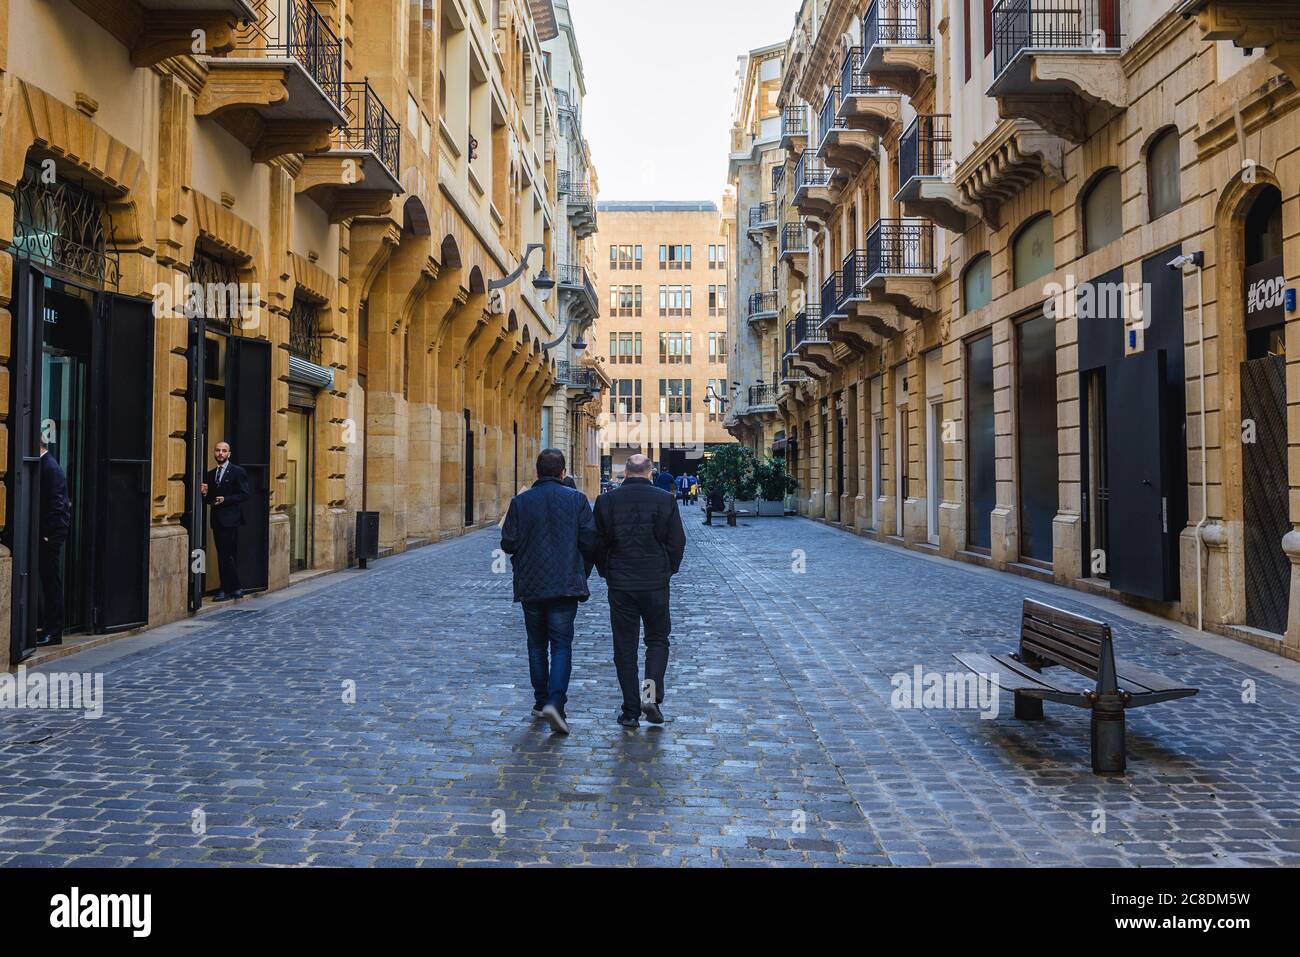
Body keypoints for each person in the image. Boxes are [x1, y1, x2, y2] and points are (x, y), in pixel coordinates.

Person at [501, 448, 598, 736]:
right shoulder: (577, 500)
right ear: (562, 472)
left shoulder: (520, 502)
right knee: (561, 644)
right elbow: (590, 540)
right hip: (565, 584)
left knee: (536, 644)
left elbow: (508, 543)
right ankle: (556, 701)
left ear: (537, 472)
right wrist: (580, 568)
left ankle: (541, 700)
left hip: (531, 584)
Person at [593, 453, 687, 729]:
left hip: (621, 583)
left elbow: (596, 542)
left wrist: (606, 570)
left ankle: (631, 709)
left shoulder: (606, 501)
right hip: (655, 582)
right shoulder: (665, 500)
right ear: (650, 473)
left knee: (625, 646)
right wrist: (667, 569)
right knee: (657, 641)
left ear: (624, 473)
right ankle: (650, 697)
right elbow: (677, 541)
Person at [202, 442, 251, 602]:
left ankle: (227, 588)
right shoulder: (210, 474)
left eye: (224, 451)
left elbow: (244, 494)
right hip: (217, 520)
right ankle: (235, 588)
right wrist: (204, 494)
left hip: (231, 520)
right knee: (224, 554)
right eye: (217, 450)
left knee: (226, 555)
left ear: (229, 454)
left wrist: (226, 499)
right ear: (214, 453)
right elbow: (210, 500)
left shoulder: (238, 471)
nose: (220, 453)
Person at [36, 442, 72, 648]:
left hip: (50, 536)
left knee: (51, 584)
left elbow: (58, 505)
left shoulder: (49, 467)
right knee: (47, 582)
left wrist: (49, 535)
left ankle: (54, 631)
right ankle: (46, 627)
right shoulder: (46, 465)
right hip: (47, 534)